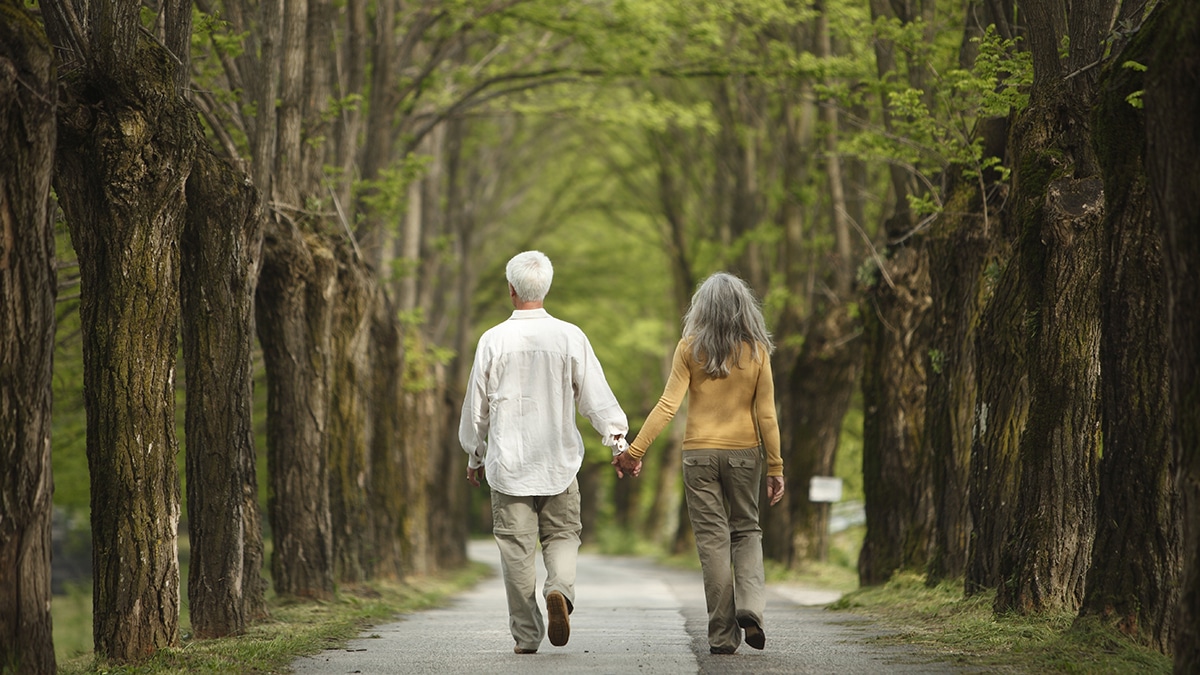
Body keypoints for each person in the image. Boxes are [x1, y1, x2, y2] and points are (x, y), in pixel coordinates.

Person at [459, 250, 629, 655]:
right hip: (558, 463)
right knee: (564, 535)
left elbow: (476, 407)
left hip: (508, 465)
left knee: (516, 550)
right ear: (546, 287)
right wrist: (618, 442)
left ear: (511, 289)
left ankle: (526, 635)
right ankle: (559, 589)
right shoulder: (571, 336)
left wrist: (474, 454)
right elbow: (596, 399)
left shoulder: (493, 340)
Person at [613, 271, 785, 655]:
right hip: (744, 454)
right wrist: (775, 467)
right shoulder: (757, 350)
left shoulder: (689, 348)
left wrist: (634, 451)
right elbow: (767, 415)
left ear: (702, 308)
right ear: (745, 309)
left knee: (712, 541)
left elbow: (667, 405)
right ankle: (752, 607)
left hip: (698, 456)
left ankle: (723, 636)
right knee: (746, 531)